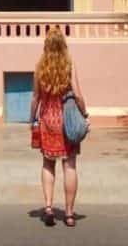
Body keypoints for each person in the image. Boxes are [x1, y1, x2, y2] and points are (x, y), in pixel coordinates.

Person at [29, 26, 89, 227]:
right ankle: (70, 214)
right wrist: (85, 114)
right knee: (69, 165)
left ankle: (48, 207)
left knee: (48, 163)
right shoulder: (69, 65)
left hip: (47, 120)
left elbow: (36, 97)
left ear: (46, 45)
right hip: (67, 121)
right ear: (63, 45)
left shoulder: (40, 66)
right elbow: (78, 95)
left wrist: (32, 120)